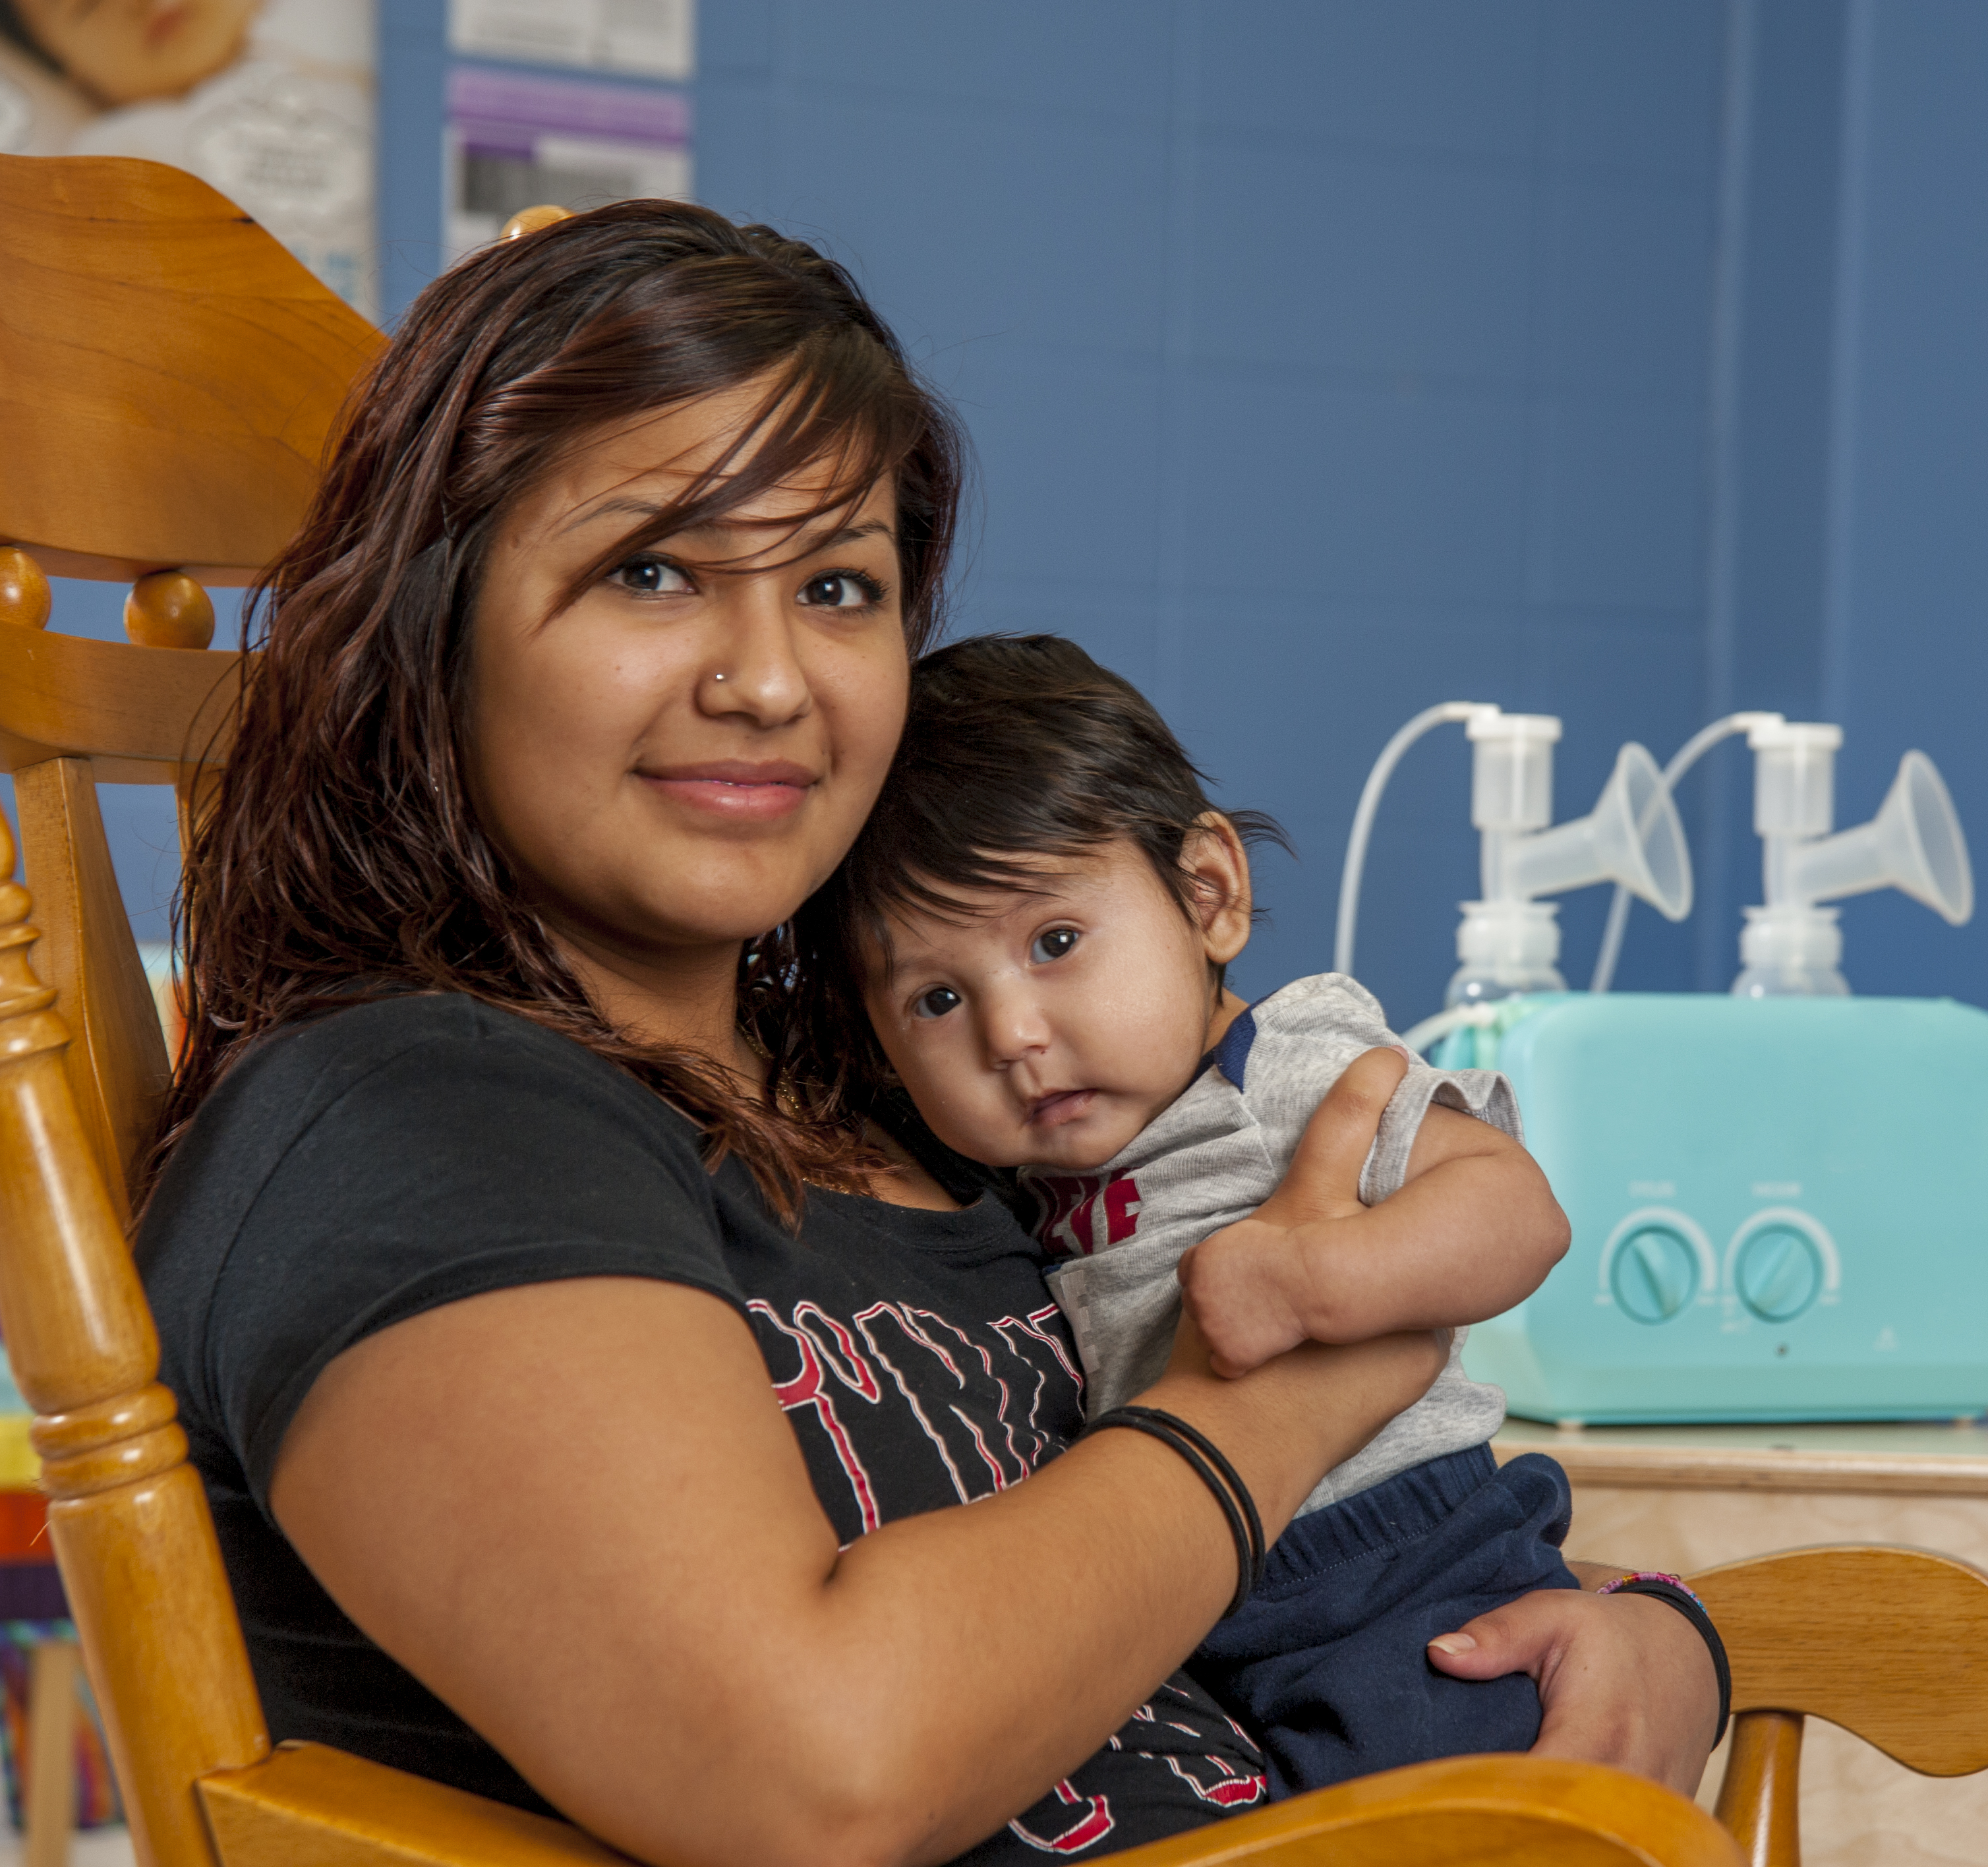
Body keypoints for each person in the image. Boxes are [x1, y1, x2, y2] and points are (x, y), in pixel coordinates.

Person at [136, 198, 1722, 1867]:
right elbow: (815, 1776)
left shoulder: (910, 1110)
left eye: (837, 584)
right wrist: (1284, 1393)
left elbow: (1195, 1583)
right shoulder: (417, 1120)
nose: (768, 680)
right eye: (652, 569)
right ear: (434, 625)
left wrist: (1657, 1638)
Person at [807, 633, 1732, 1796]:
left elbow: (1514, 1210)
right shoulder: (1015, 1181)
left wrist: (1316, 1285)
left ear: (1210, 895)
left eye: (1055, 943)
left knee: (1444, 1812)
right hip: (1211, 1601)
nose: (1013, 1035)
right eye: (938, 998)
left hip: (1402, 1564)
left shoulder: (1285, 1068)